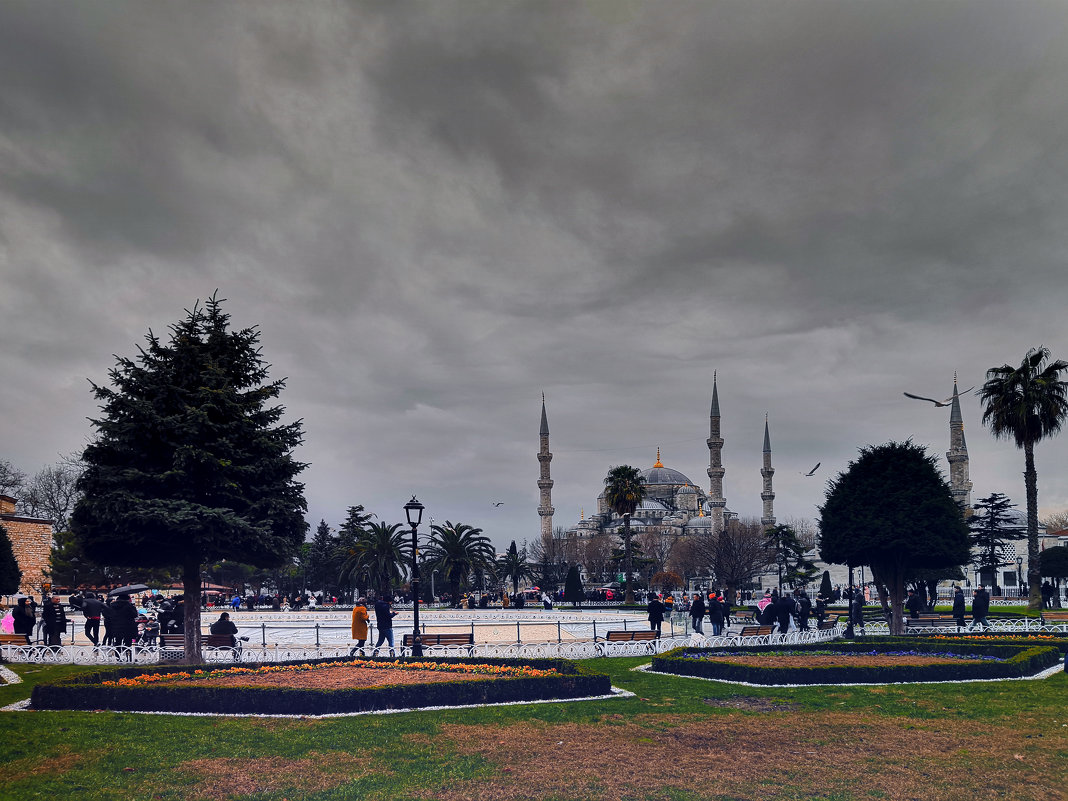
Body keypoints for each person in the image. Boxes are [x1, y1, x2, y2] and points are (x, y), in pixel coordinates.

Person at [110, 593, 139, 659]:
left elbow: (110, 615)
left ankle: (118, 657)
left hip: (116, 626)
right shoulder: (129, 606)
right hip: (128, 626)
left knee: (118, 642)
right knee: (128, 642)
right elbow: (135, 615)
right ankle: (129, 657)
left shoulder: (112, 606)